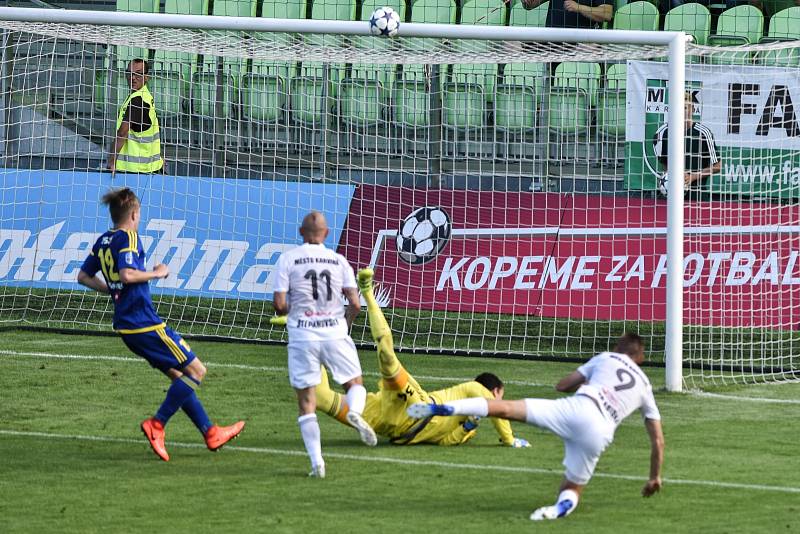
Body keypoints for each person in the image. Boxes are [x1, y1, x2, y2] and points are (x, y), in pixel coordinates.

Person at [407, 332, 665, 521]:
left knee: (506, 408)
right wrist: (654, 477)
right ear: (639, 357)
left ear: (618, 348)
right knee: (571, 488)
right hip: (600, 432)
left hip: (578, 408)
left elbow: (563, 386)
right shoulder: (644, 385)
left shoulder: (606, 358)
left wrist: (585, 382)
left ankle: (447, 408)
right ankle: (557, 510)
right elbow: (657, 441)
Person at [77, 188, 245, 461]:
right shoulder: (129, 238)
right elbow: (128, 273)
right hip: (143, 322)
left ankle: (210, 431)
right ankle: (157, 424)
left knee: (180, 378)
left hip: (126, 326)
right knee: (197, 371)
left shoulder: (103, 240)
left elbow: (83, 277)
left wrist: (112, 290)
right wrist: (157, 273)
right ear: (133, 214)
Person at [313, 268, 530, 448]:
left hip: (392, 426)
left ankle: (313, 335)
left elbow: (445, 441)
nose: (499, 403)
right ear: (495, 391)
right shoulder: (474, 389)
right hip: (415, 403)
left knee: (320, 397)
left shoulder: (470, 423)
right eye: (500, 397)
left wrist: (468, 427)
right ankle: (367, 292)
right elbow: (494, 407)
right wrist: (509, 440)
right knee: (387, 356)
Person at [272, 211, 378, 479]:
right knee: (355, 384)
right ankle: (354, 412)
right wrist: (346, 324)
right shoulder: (339, 261)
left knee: (307, 401)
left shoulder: (288, 259)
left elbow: (279, 304)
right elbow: (354, 303)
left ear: (300, 232)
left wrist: (293, 309)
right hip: (334, 332)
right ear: (327, 234)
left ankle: (317, 463)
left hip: (303, 334)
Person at [653, 93, 721, 201]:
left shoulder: (703, 133)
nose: (682, 111)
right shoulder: (665, 133)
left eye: (685, 107)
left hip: (698, 196)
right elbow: (665, 164)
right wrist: (669, 178)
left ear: (692, 109)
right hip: (673, 198)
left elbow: (718, 166)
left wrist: (692, 177)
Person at [108, 58, 164, 176]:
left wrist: (112, 161)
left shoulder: (137, 100)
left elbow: (122, 133)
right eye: (130, 73)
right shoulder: (145, 96)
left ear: (147, 77)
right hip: (149, 167)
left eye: (138, 74)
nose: (133, 77)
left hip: (135, 171)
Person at [522, 0, 613, 29]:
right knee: (515, 44)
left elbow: (607, 14)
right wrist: (526, 1)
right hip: (552, 42)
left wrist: (579, 7)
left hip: (581, 43)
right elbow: (530, 5)